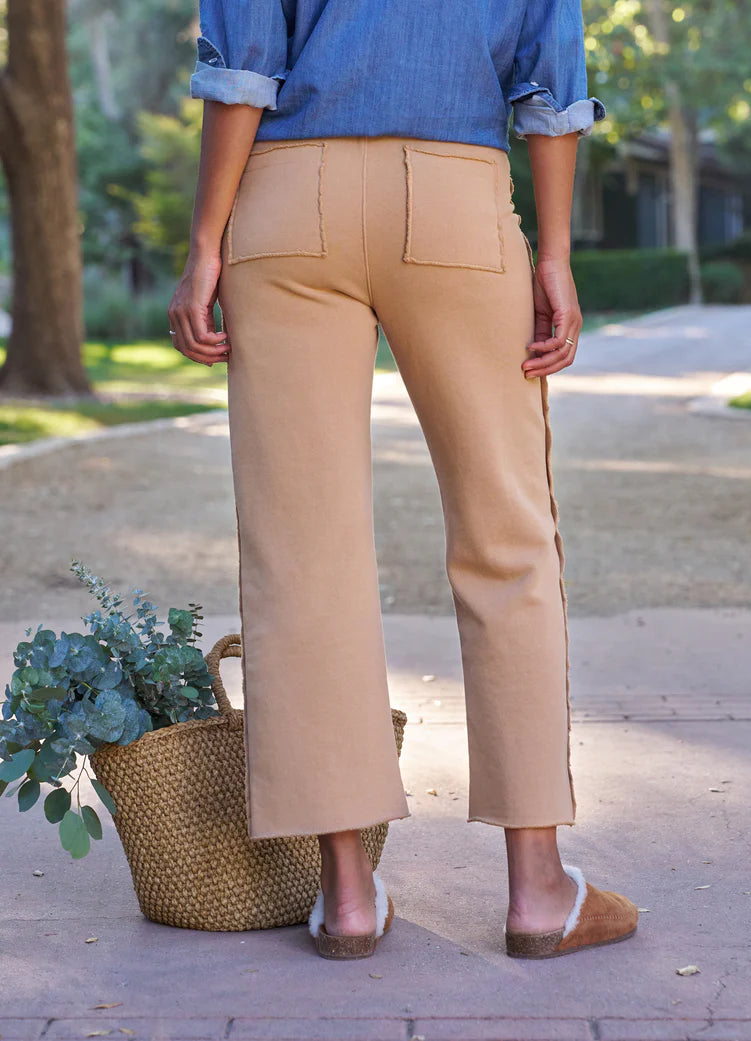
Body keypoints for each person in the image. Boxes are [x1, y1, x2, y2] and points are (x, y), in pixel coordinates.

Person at [169, 0, 639, 960]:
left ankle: (347, 894)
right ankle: (540, 887)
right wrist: (553, 252)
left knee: (302, 551)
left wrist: (206, 240)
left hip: (288, 201)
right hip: (460, 197)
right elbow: (550, 92)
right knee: (508, 532)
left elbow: (243, 69)